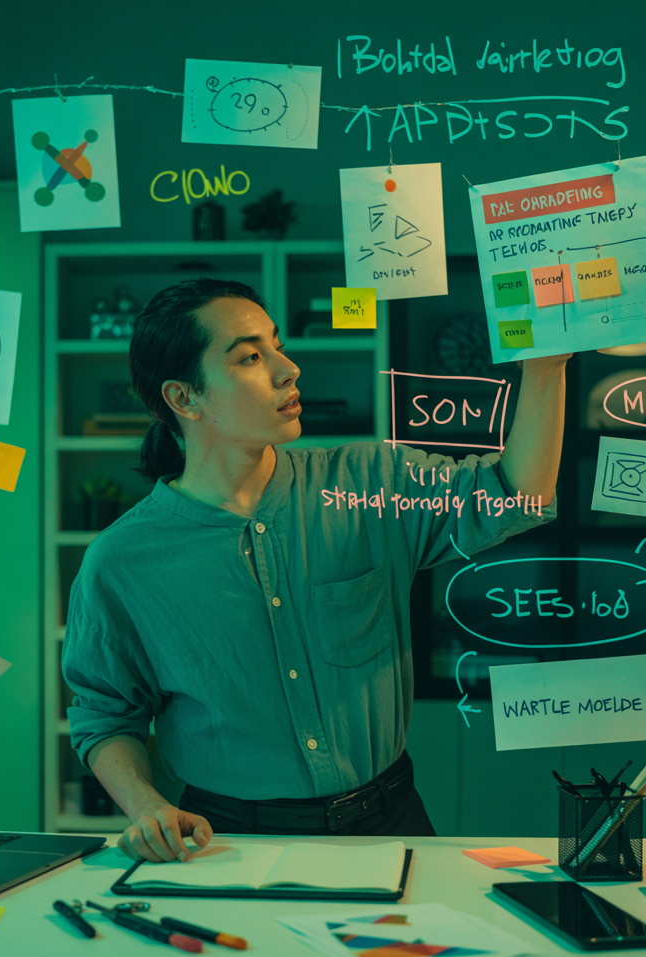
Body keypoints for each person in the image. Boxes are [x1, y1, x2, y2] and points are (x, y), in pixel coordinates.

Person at [63, 278, 567, 863]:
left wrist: (546, 368)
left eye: (277, 346)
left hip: (390, 823)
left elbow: (514, 496)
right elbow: (103, 714)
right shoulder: (121, 561)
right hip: (226, 841)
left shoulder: (371, 483)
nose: (287, 369)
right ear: (184, 398)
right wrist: (146, 805)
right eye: (251, 357)